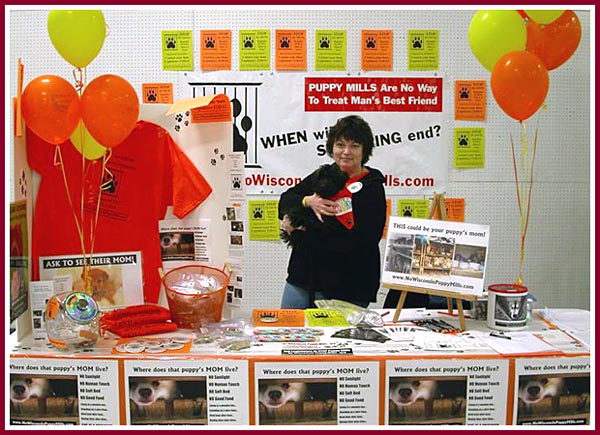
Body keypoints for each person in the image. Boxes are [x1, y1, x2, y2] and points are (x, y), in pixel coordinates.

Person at [278, 115, 386, 309]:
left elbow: (359, 240)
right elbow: (284, 202)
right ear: (331, 148)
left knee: (338, 339)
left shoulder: (372, 186)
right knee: (289, 333)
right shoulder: (324, 174)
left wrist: (298, 234)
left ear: (364, 150)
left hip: (349, 284)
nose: (346, 152)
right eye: (340, 145)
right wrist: (308, 201)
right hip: (304, 277)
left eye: (354, 146)